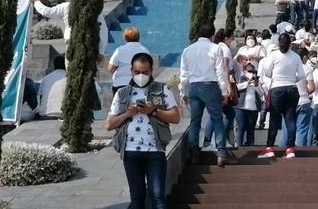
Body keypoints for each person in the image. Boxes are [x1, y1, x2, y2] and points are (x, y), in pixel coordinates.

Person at [105, 53, 180, 209]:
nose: (141, 76)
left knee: (157, 196)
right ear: (131, 70)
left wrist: (153, 111)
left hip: (155, 150)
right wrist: (127, 113)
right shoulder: (122, 93)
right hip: (130, 152)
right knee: (136, 198)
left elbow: (175, 117)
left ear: (151, 70)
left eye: (145, 72)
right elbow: (109, 124)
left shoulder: (162, 89)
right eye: (137, 72)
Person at [179, 23, 232, 167]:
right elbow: (220, 72)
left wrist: (182, 91)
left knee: (195, 121)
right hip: (210, 86)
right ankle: (221, 152)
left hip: (194, 87)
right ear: (212, 35)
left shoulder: (188, 50)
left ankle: (194, 152)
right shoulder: (216, 48)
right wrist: (224, 91)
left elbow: (183, 74)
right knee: (217, 119)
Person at [257, 33, 306, 159]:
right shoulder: (295, 56)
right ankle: (290, 149)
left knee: (274, 119)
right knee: (290, 118)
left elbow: (267, 72)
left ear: (279, 43)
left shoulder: (273, 55)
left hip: (277, 88)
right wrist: (291, 79)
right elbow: (301, 74)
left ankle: (269, 148)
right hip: (292, 88)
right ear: (290, 43)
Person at [107, 27, 151, 94]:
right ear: (138, 37)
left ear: (125, 38)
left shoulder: (120, 50)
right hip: (139, 85)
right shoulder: (145, 51)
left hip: (121, 84)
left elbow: (111, 68)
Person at [234, 61, 262, 146]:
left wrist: (256, 85)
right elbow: (235, 88)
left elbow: (261, 93)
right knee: (241, 127)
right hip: (241, 108)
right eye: (250, 71)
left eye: (253, 72)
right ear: (245, 71)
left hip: (253, 108)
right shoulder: (241, 78)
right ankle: (239, 146)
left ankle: (250, 146)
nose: (252, 73)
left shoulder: (257, 81)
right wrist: (247, 83)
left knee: (251, 128)